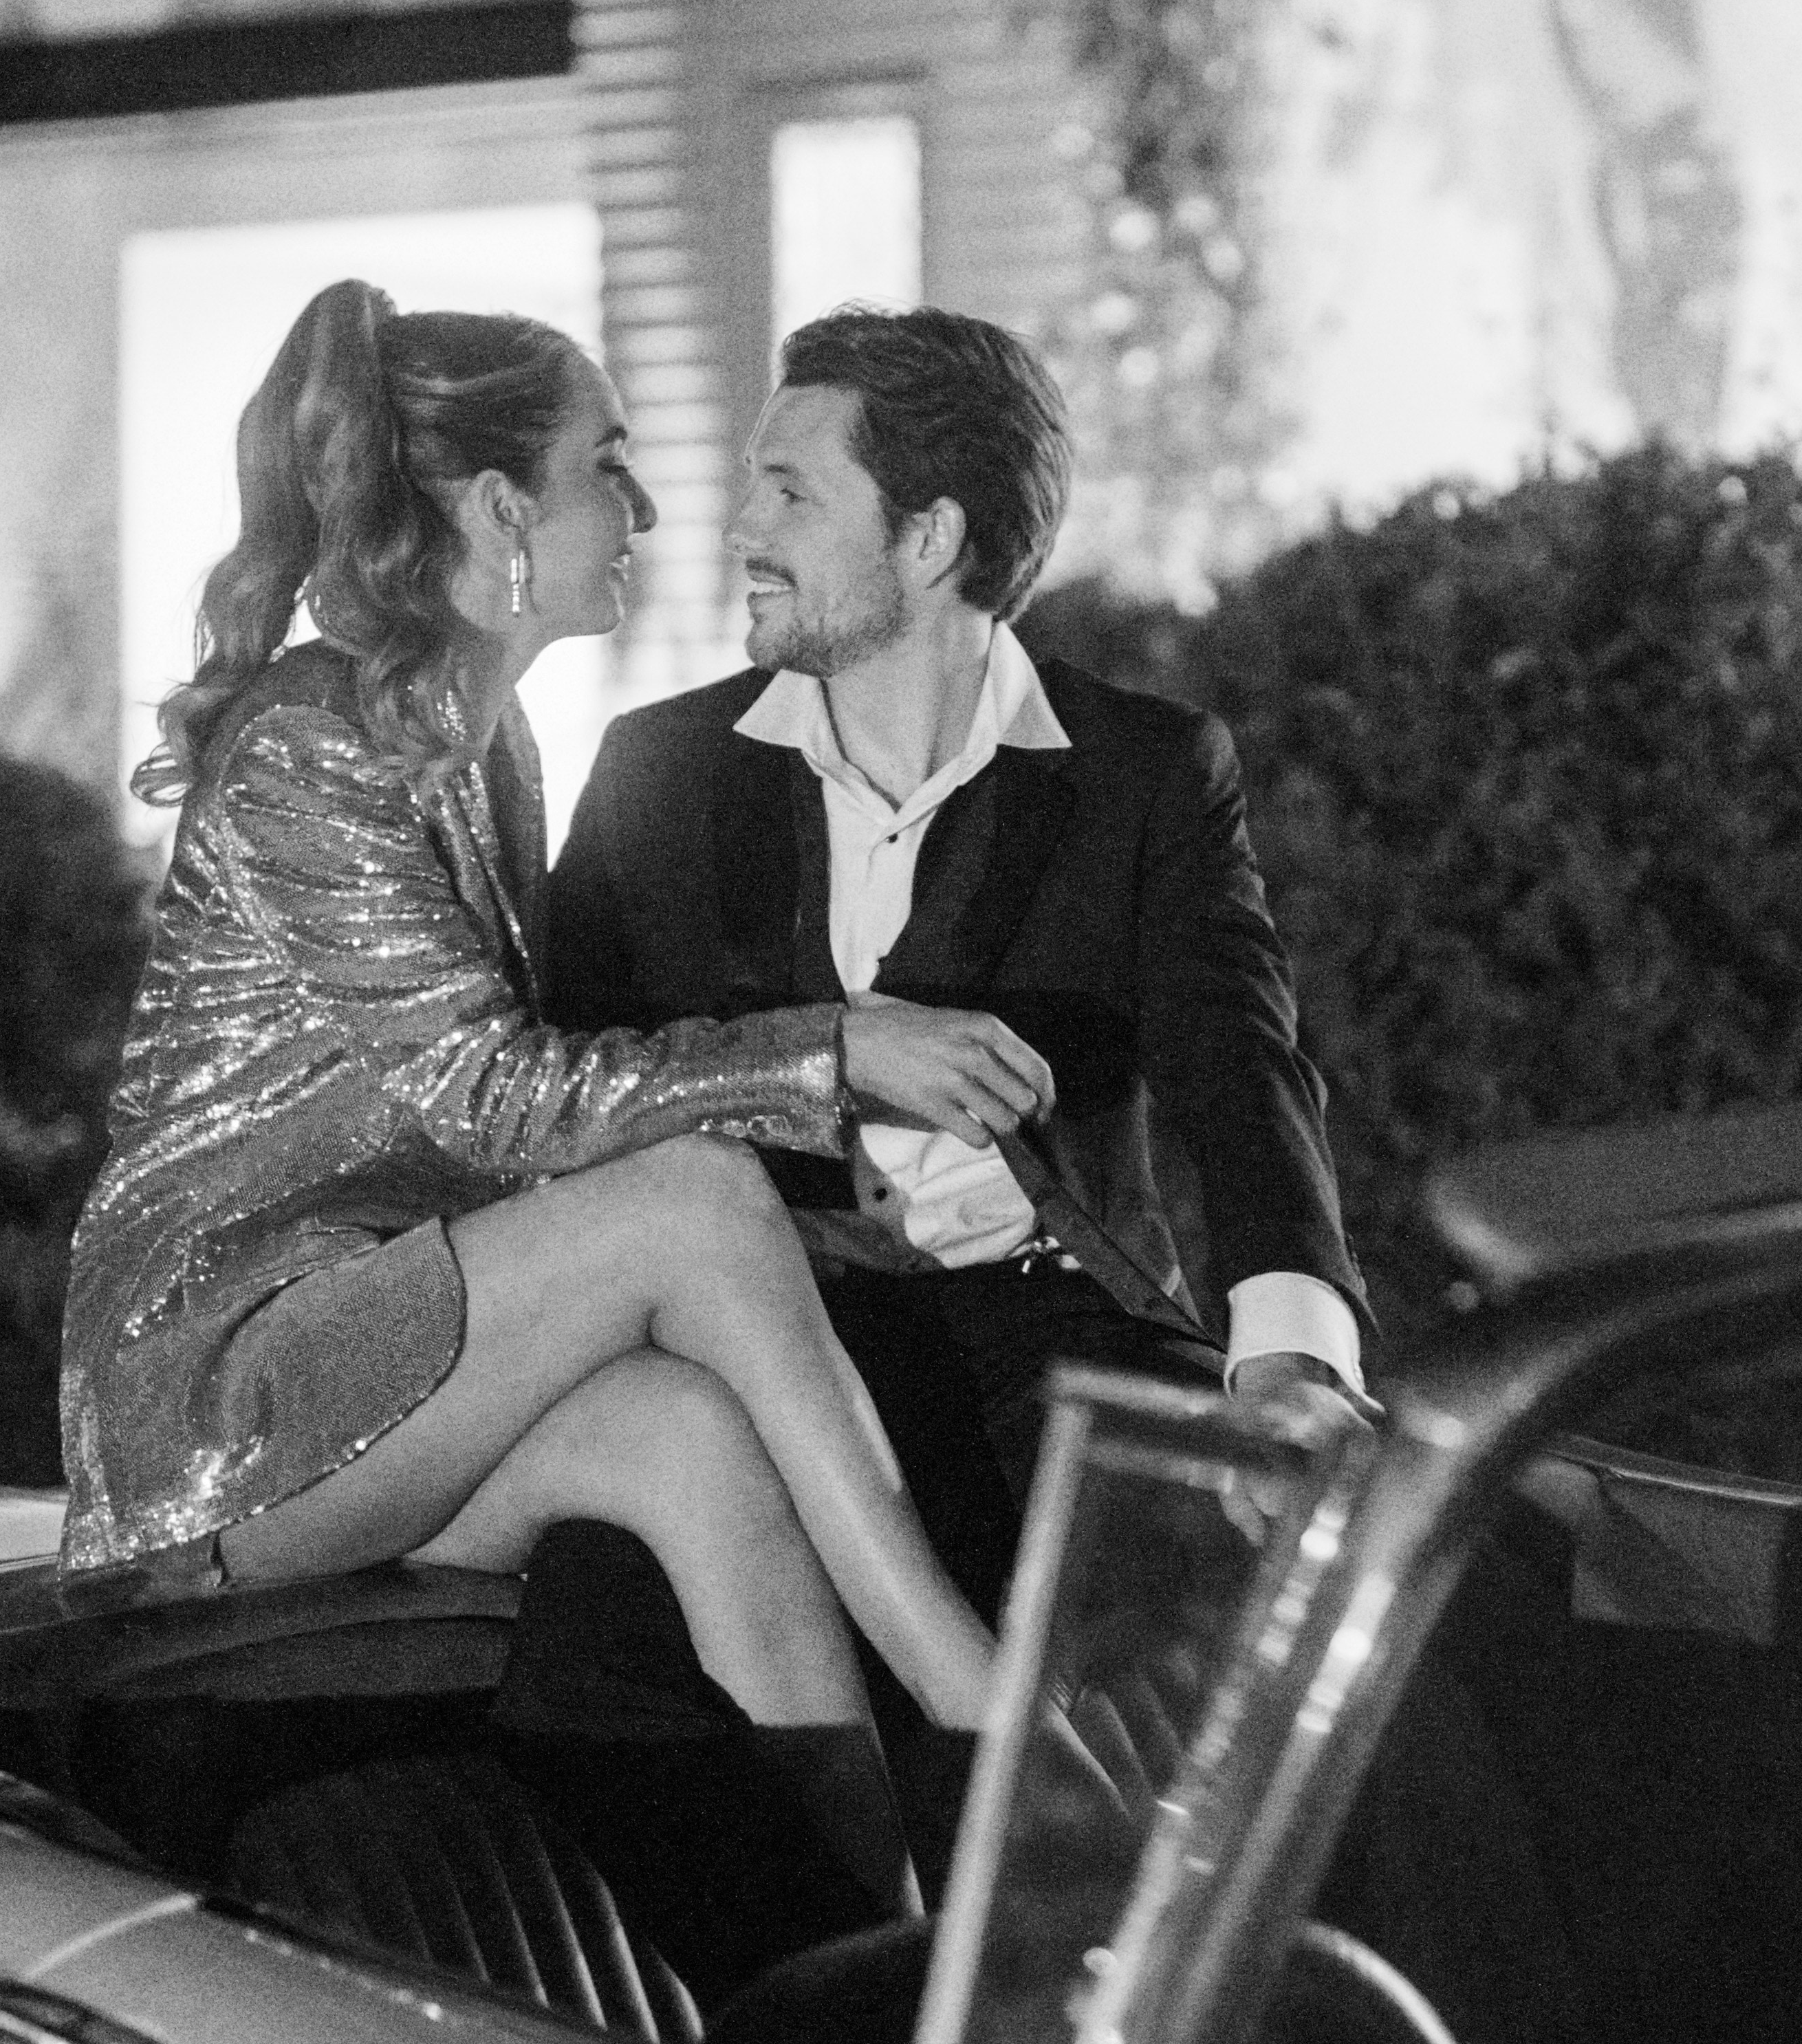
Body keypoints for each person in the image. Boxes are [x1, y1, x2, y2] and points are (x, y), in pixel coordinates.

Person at [57, 279, 1059, 1919]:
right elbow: (491, 1097)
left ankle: (893, 1958)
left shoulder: (487, 734)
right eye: (612, 464)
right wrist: (835, 1050)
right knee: (697, 1199)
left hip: (374, 1363)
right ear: (508, 509)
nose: (654, 511)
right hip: (213, 1403)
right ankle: (982, 1701)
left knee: (687, 1443)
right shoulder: (308, 747)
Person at [540, 304, 1372, 1629]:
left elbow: (1242, 1074)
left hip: (1056, 1327)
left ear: (929, 539)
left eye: (791, 492)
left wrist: (1290, 1358)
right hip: (756, 1342)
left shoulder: (1144, 775)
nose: (742, 529)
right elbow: (564, 1084)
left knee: (1223, 1620)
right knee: (618, 1636)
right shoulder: (659, 772)